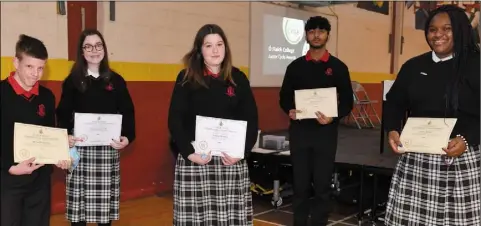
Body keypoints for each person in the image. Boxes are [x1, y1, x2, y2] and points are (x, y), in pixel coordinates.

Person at [384, 5, 480, 226]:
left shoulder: (476, 65)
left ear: (461, 30)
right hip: (418, 160)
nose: (438, 35)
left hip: (462, 158)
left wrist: (467, 140)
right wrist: (392, 129)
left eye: (447, 29)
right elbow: (394, 102)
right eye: (432, 29)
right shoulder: (414, 66)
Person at [168, 24, 259, 226]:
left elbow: (251, 120)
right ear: (200, 50)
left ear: (226, 48)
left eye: (219, 44)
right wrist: (189, 153)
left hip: (231, 162)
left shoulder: (239, 78)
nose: (215, 50)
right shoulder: (186, 79)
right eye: (208, 45)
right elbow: (175, 120)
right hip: (196, 160)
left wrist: (242, 152)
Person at [279, 16, 354, 226]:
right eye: (312, 31)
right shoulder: (295, 67)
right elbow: (284, 97)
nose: (317, 35)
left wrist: (334, 116)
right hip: (300, 133)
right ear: (306, 35)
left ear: (328, 35)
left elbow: (348, 101)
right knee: (300, 185)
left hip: (325, 134)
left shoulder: (338, 67)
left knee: (322, 186)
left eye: (321, 31)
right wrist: (290, 110)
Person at [56, 29, 136, 226]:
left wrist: (127, 137)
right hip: (80, 152)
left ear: (104, 49)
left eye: (98, 45)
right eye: (88, 46)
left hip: (107, 152)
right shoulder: (72, 81)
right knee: (79, 215)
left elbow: (128, 111)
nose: (94, 50)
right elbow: (63, 113)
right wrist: (66, 136)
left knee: (104, 214)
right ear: (81, 51)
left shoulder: (116, 81)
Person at [0, 34, 69, 226]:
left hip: (40, 182)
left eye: (40, 68)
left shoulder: (46, 97)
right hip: (8, 180)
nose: (35, 74)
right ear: (16, 62)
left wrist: (60, 154)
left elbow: (50, 134)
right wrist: (9, 167)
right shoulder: (2, 93)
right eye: (29, 66)